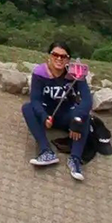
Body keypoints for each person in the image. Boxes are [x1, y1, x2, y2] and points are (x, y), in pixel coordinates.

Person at [21, 41, 93, 182]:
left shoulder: (76, 74)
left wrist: (76, 120)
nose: (59, 59)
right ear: (49, 56)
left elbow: (87, 100)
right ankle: (46, 151)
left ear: (68, 59)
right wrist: (43, 116)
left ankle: (75, 159)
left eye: (63, 56)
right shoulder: (40, 73)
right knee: (27, 108)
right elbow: (35, 99)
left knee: (85, 116)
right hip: (48, 114)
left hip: (68, 114)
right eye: (55, 55)